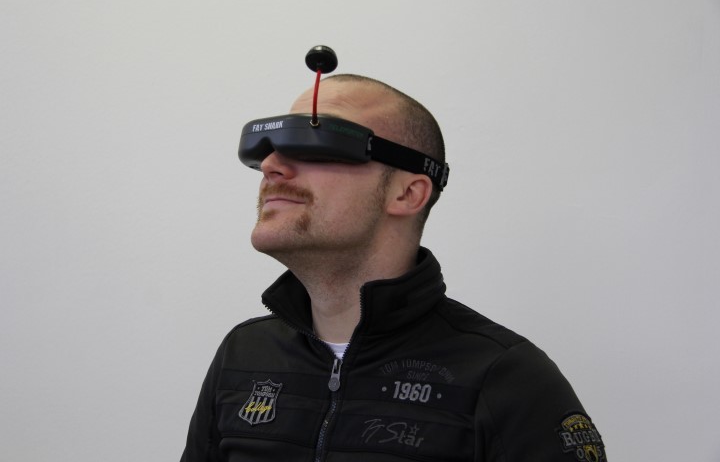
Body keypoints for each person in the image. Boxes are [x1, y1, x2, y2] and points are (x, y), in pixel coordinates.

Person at [181, 74, 606, 462]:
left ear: (407, 194)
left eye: (315, 143)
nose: (271, 165)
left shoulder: (505, 377)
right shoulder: (243, 355)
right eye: (268, 149)